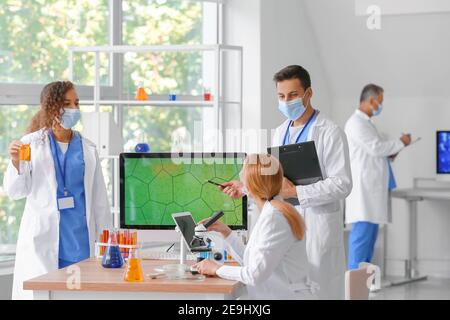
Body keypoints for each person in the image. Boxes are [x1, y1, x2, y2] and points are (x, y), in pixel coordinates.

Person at [220, 65, 353, 299]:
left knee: (320, 290)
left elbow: (342, 184)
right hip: (287, 220)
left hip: (318, 225)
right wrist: (245, 187)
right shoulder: (280, 132)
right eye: (281, 96)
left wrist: (297, 192)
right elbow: (273, 179)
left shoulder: (329, 132)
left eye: (292, 95)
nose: (286, 101)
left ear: (308, 93)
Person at [3, 81, 111, 300]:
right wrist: (16, 163)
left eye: (76, 103)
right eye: (66, 103)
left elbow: (100, 203)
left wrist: (109, 246)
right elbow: (16, 191)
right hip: (43, 242)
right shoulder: (31, 144)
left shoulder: (88, 148)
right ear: (51, 106)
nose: (74, 109)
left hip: (81, 245)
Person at [193, 154, 316, 299]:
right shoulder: (273, 210)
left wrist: (217, 269)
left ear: (251, 186)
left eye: (243, 178)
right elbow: (252, 261)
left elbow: (254, 274)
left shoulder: (274, 218)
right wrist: (225, 232)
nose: (241, 182)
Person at [344, 84, 411, 270]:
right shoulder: (356, 123)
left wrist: (393, 151)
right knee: (361, 238)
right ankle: (354, 281)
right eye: (380, 102)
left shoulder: (367, 124)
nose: (380, 106)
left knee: (369, 239)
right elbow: (375, 148)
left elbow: (376, 151)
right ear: (371, 100)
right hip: (363, 192)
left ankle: (363, 282)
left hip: (371, 192)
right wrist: (401, 142)